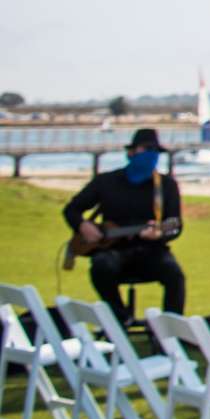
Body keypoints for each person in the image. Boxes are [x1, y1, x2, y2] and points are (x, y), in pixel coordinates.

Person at [61, 128, 186, 323]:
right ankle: (119, 318)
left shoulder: (166, 185)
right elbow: (72, 210)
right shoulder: (106, 182)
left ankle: (173, 327)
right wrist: (82, 225)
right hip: (112, 250)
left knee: (174, 274)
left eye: (154, 151)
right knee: (101, 267)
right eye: (145, 149)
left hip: (151, 250)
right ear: (131, 152)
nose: (150, 155)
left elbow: (175, 224)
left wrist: (160, 234)